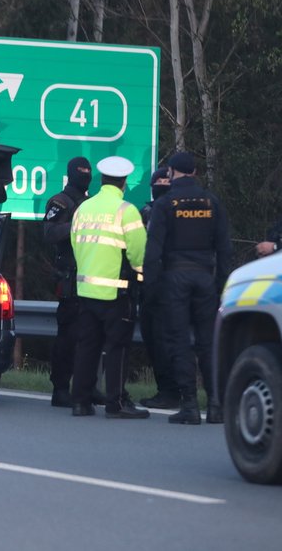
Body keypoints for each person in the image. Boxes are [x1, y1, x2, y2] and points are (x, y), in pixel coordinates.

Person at [144, 152, 233, 424]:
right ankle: (216, 405)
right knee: (208, 343)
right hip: (205, 277)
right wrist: (222, 285)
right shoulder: (211, 201)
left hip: (175, 278)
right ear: (194, 171)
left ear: (171, 172)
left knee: (179, 341)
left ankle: (190, 406)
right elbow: (225, 248)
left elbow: (153, 250)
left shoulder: (166, 203)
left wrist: (150, 288)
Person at [68, 156, 149, 419]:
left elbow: (75, 243)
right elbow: (139, 254)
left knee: (87, 346)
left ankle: (80, 402)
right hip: (117, 291)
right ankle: (116, 404)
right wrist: (143, 275)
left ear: (101, 180)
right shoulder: (127, 211)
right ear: (124, 182)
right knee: (117, 347)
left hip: (86, 290)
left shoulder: (83, 209)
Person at [43, 156, 106, 408]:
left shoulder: (91, 203)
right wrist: (77, 225)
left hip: (92, 277)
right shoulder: (60, 201)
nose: (85, 175)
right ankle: (60, 388)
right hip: (69, 277)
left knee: (91, 337)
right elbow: (48, 233)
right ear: (71, 174)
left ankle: (87, 387)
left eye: (88, 172)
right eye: (81, 172)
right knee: (68, 337)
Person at [138, 167, 180, 409]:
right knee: (156, 340)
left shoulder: (174, 212)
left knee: (165, 340)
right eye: (159, 181)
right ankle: (170, 390)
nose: (163, 184)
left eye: (167, 181)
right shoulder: (145, 214)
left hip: (168, 284)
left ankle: (172, 391)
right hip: (152, 285)